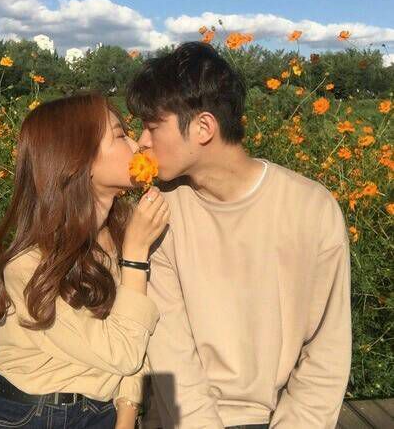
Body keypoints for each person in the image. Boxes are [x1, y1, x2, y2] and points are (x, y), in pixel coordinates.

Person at [126, 42, 352, 429]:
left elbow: (327, 349)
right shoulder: (159, 211)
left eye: (152, 126)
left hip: (278, 418)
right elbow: (170, 351)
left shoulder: (311, 208)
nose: (141, 141)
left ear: (203, 128)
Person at [0, 91, 170, 428]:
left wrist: (126, 415)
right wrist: (135, 258)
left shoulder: (128, 232)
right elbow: (122, 352)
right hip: (26, 415)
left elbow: (140, 336)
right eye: (119, 135)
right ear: (79, 160)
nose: (137, 144)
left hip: (103, 414)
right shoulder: (28, 265)